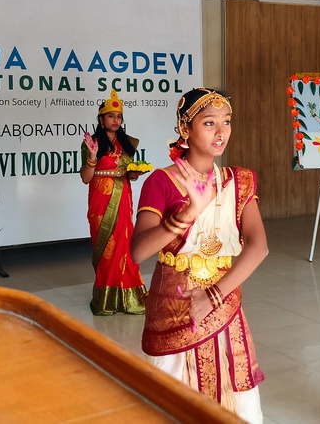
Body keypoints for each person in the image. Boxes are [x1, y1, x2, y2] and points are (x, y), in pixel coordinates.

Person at [131, 88, 267, 423]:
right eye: (209, 123)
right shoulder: (162, 181)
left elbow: (258, 247)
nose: (221, 132)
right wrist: (189, 212)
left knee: (238, 397)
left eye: (227, 122)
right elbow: (138, 251)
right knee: (173, 399)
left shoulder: (239, 181)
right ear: (185, 128)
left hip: (224, 302)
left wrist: (214, 296)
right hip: (174, 307)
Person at [79, 90, 147, 316]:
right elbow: (86, 178)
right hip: (101, 200)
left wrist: (134, 174)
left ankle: (129, 297)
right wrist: (92, 157)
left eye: (119, 116)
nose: (115, 120)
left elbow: (127, 173)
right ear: (101, 119)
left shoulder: (128, 143)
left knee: (125, 245)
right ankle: (106, 299)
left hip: (123, 198)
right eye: (110, 116)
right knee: (107, 247)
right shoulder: (92, 143)